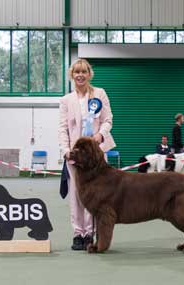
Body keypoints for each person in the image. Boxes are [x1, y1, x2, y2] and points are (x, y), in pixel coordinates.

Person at [58, 59, 115, 251]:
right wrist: (66, 150)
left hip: (96, 155)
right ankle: (78, 233)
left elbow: (108, 120)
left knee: (97, 194)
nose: (80, 75)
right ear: (72, 75)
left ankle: (91, 232)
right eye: (76, 72)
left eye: (84, 72)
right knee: (76, 193)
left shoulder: (100, 93)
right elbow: (63, 128)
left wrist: (101, 134)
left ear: (89, 74)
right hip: (75, 156)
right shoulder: (66, 100)